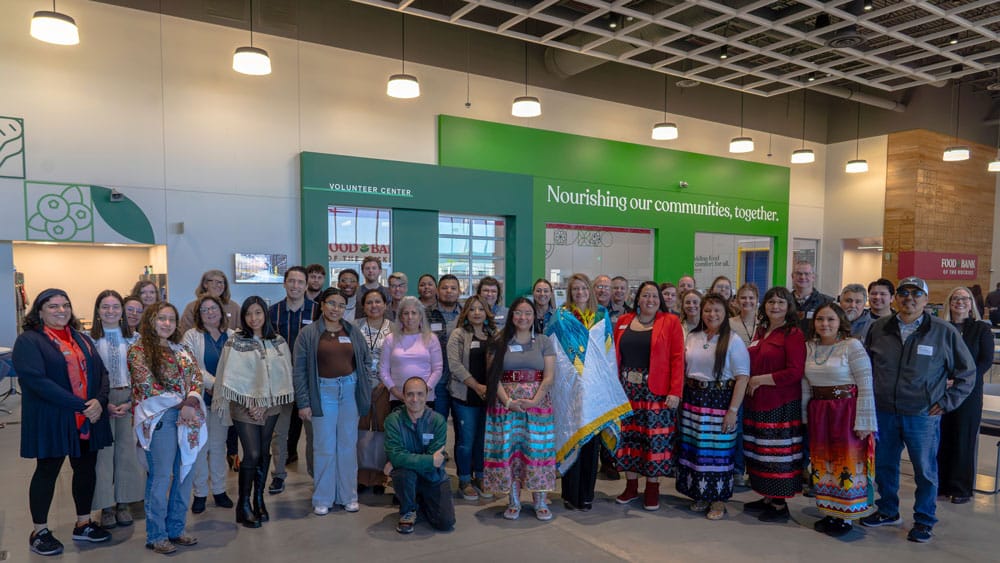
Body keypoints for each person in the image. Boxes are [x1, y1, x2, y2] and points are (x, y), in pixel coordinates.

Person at [862, 277, 975, 543]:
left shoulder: (943, 331)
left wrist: (947, 402)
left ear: (926, 300)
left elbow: (966, 373)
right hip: (885, 412)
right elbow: (866, 367)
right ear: (895, 298)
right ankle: (888, 510)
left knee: (925, 470)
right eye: (903, 293)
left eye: (916, 294)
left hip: (922, 415)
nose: (909, 298)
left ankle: (924, 520)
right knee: (885, 465)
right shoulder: (878, 328)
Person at [14, 288, 113, 556]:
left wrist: (99, 402)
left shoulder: (81, 338)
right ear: (40, 311)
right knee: (47, 471)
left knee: (85, 469)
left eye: (65, 305)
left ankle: (83, 523)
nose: (61, 311)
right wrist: (81, 405)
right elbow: (37, 382)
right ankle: (39, 531)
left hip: (87, 417)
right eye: (53, 306)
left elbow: (102, 373)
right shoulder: (29, 341)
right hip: (53, 418)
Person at [545, 273, 632, 511]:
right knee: (574, 439)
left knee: (591, 447)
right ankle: (570, 495)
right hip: (571, 391)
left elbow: (608, 357)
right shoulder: (560, 318)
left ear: (590, 291)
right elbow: (555, 354)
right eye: (575, 289)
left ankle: (586, 496)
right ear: (570, 292)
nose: (580, 292)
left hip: (596, 393)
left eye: (584, 288)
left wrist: (606, 386)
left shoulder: (602, 317)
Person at [129, 301, 205, 554]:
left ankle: (176, 529)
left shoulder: (181, 349)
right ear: (151, 320)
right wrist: (183, 405)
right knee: (161, 478)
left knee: (184, 477)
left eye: (171, 319)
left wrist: (192, 401)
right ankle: (156, 534)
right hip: (160, 420)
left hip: (188, 418)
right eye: (161, 318)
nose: (167, 324)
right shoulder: (138, 350)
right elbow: (148, 386)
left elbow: (196, 378)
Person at [213, 297, 294, 528]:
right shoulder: (235, 341)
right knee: (253, 453)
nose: (253, 318)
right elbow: (230, 377)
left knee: (265, 451)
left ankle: (259, 499)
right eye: (249, 313)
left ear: (265, 315)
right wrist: (251, 402)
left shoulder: (277, 341)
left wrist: (265, 403)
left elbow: (283, 376)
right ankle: (244, 504)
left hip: (270, 405)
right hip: (243, 404)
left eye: (258, 313)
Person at [293, 287, 374, 516]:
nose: (336, 309)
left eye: (340, 305)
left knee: (348, 446)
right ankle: (323, 497)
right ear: (322, 305)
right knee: (324, 446)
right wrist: (303, 402)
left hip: (349, 391)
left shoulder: (352, 331)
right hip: (322, 393)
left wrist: (364, 387)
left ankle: (348, 495)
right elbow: (299, 370)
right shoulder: (308, 333)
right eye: (331, 303)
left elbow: (366, 361)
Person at [802, 303, 877, 537]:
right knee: (823, 462)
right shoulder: (809, 347)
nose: (825, 324)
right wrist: (805, 415)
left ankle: (846, 517)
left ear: (840, 322)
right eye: (820, 319)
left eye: (831, 320)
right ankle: (830, 511)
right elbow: (806, 384)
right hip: (819, 412)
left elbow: (865, 383)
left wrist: (864, 420)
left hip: (846, 411)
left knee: (846, 462)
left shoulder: (851, 346)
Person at [676, 293, 750, 521]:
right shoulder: (693, 336)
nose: (712, 314)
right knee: (696, 450)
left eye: (717, 310)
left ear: (726, 312)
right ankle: (700, 494)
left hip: (719, 400)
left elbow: (742, 377)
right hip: (693, 399)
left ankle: (718, 499)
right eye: (707, 310)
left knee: (717, 453)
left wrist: (733, 411)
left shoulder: (733, 340)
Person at [612, 281, 684, 511]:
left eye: (654, 296)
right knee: (629, 439)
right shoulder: (624, 321)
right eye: (645, 295)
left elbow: (677, 358)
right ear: (638, 298)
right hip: (626, 390)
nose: (650, 300)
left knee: (655, 440)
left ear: (660, 299)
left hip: (656, 391)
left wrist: (675, 391)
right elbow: (614, 355)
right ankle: (631, 487)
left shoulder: (670, 322)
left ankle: (652, 489)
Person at [483, 297, 556, 520]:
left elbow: (549, 376)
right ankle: (513, 500)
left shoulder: (543, 341)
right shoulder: (498, 341)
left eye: (527, 313)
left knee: (536, 451)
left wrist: (534, 400)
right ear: (511, 315)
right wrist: (508, 402)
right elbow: (492, 377)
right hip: (506, 405)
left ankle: (540, 500)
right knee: (510, 451)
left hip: (537, 405)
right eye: (518, 313)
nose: (522, 317)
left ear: (534, 317)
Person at [743, 286, 806, 523]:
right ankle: (767, 496)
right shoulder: (762, 331)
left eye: (780, 302)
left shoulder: (793, 334)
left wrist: (761, 380)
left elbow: (794, 371)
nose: (775, 306)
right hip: (756, 402)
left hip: (779, 403)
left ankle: (779, 504)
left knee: (776, 455)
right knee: (759, 452)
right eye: (770, 302)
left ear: (789, 306)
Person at [90, 290, 144, 529]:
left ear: (122, 311)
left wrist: (130, 401)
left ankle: (124, 503)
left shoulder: (135, 338)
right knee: (103, 456)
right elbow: (87, 376)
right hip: (101, 401)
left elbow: (142, 374)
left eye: (115, 306)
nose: (110, 311)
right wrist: (104, 403)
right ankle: (106, 506)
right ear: (98, 310)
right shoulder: (88, 339)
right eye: (105, 306)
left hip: (128, 398)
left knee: (127, 453)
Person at [938, 286, 993, 504]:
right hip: (942, 390)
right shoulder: (941, 328)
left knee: (963, 439)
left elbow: (985, 361)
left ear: (971, 304)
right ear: (949, 302)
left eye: (965, 298)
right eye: (955, 298)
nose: (960, 302)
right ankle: (941, 484)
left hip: (969, 393)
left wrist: (962, 380)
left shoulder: (980, 329)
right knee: (942, 438)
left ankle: (960, 489)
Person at [181, 295, 235, 514]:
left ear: (221, 312)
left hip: (223, 403)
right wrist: (214, 384)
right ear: (198, 315)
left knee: (218, 447)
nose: (210, 312)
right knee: (199, 449)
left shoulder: (232, 336)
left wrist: (224, 389)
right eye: (205, 310)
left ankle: (220, 490)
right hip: (199, 401)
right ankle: (200, 493)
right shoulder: (191, 336)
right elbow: (190, 364)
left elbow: (238, 368)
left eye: (214, 308)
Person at [267, 267, 318, 493]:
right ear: (284, 284)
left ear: (307, 286)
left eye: (300, 282)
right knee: (280, 432)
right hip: (281, 382)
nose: (295, 286)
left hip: (309, 382)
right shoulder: (272, 312)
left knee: (314, 433)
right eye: (291, 281)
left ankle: (318, 476)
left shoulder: (318, 312)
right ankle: (278, 474)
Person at [384, 377, 455, 534]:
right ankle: (408, 510)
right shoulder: (393, 421)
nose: (415, 399)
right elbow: (397, 456)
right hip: (407, 476)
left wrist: (400, 460)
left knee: (445, 523)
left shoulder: (438, 421)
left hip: (433, 478)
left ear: (427, 395)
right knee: (403, 473)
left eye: (420, 394)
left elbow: (400, 458)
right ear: (403, 396)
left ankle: (420, 501)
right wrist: (429, 460)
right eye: (409, 394)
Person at [447, 295, 497, 501]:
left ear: (487, 313)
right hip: (465, 396)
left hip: (489, 397)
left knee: (483, 441)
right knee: (466, 441)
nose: (477, 312)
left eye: (481, 309)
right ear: (466, 312)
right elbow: (455, 365)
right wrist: (477, 386)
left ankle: (482, 476)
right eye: (472, 309)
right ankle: (465, 479)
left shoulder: (494, 335)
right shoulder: (459, 334)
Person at [354, 289, 393, 494]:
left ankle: (380, 478)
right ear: (364, 305)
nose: (374, 306)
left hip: (386, 387)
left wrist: (385, 383)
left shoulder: (394, 329)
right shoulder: (354, 327)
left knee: (382, 431)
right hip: (358, 387)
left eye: (378, 302)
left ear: (385, 305)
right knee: (360, 432)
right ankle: (361, 476)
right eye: (369, 302)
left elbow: (398, 360)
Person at [381, 296, 443, 410]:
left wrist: (422, 392)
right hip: (397, 397)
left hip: (425, 398)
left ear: (420, 316)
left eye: (414, 313)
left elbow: (438, 369)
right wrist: (396, 393)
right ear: (400, 317)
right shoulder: (390, 339)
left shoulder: (431, 338)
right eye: (406, 313)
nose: (410, 317)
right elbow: (384, 370)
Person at [727, 282, 759, 487]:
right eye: (743, 298)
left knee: (756, 428)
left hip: (759, 382)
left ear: (757, 301)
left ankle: (755, 471)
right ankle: (738, 469)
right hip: (736, 381)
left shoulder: (764, 324)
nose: (747, 302)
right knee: (737, 427)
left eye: (751, 298)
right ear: (737, 301)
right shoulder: (729, 323)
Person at [179, 270, 241, 334]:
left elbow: (242, 331)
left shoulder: (234, 307)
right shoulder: (192, 307)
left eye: (222, 282)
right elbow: (184, 333)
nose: (220, 285)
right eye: (216, 282)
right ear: (205, 284)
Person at [790, 261, 832, 336]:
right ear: (792, 277)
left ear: (813, 277)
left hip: (816, 345)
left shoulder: (827, 302)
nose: (802, 277)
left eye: (807, 274)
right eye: (798, 273)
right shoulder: (784, 301)